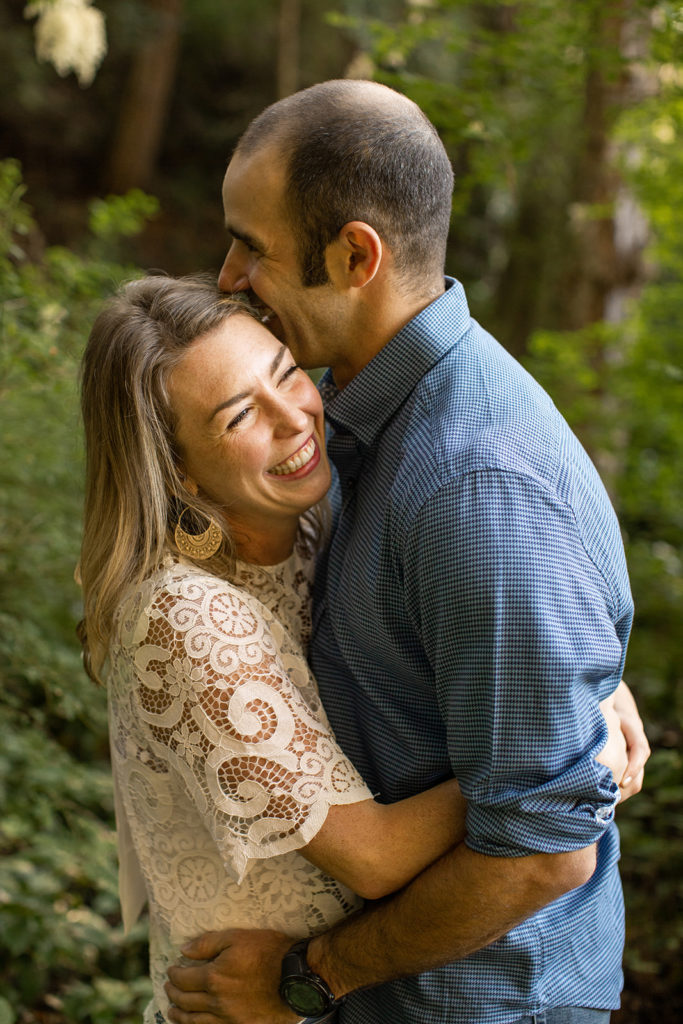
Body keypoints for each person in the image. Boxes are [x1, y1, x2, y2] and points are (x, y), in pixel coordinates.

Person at [164, 80, 650, 1024]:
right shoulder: (353, 414)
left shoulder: (476, 486)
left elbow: (545, 849)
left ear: (355, 255)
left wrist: (310, 977)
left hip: (481, 1006)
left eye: (250, 247)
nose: (226, 276)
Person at [79, 273, 501, 1024]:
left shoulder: (316, 516)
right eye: (240, 415)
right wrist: (567, 739)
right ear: (176, 469)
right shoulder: (181, 616)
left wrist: (569, 673)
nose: (295, 419)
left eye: (284, 373)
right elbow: (374, 856)